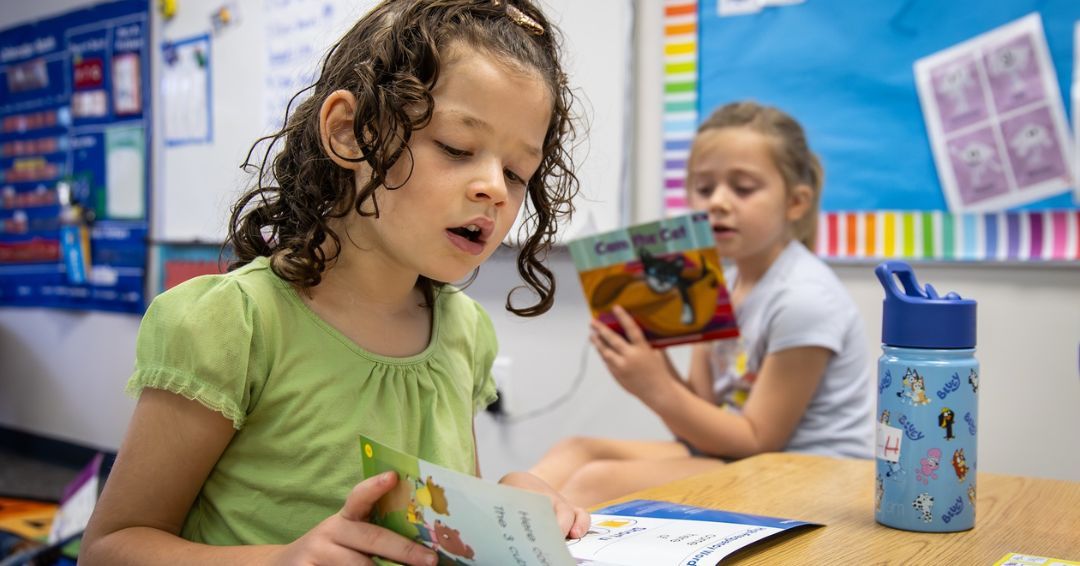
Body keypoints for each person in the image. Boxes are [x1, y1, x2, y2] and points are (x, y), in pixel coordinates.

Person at [80, 1, 590, 564]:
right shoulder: (234, 323)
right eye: (456, 148)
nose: (495, 188)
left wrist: (504, 507)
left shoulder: (463, 331)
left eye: (518, 172)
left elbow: (435, 534)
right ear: (349, 133)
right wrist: (279, 560)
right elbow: (110, 548)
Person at [530, 101, 875, 507]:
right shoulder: (718, 283)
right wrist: (650, 370)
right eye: (704, 188)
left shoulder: (805, 298)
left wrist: (655, 387)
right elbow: (702, 419)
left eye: (743, 188)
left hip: (811, 478)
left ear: (796, 202)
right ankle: (494, 532)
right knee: (577, 451)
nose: (718, 203)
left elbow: (758, 440)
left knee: (597, 481)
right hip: (744, 458)